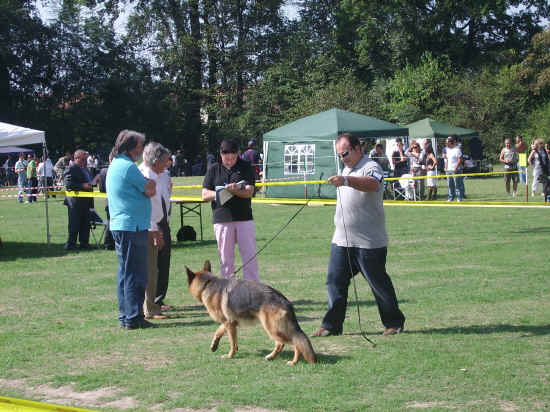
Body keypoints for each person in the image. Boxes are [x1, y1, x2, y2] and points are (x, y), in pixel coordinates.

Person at [311, 133, 405, 338]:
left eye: (345, 153)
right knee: (334, 281)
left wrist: (346, 180)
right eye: (339, 155)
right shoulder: (345, 168)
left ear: (357, 149)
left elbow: (373, 184)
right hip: (341, 240)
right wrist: (345, 177)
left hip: (369, 242)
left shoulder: (371, 166)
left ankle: (394, 323)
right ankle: (331, 325)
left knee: (378, 283)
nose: (342, 158)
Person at [107, 130, 156, 330]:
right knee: (135, 274)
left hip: (123, 225)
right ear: (130, 148)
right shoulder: (128, 167)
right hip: (131, 226)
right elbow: (150, 189)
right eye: (139, 146)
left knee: (125, 273)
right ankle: (133, 317)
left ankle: (126, 315)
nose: (141, 150)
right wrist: (150, 182)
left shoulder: (116, 164)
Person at [202, 139, 259, 281]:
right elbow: (204, 195)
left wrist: (235, 191)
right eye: (226, 158)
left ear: (238, 154)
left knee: (250, 257)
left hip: (244, 218)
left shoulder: (246, 167)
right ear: (221, 155)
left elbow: (249, 192)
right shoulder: (214, 169)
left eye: (233, 158)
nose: (229, 161)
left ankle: (252, 290)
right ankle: (229, 290)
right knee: (225, 258)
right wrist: (221, 194)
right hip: (221, 219)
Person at [138, 142, 171, 320]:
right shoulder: (146, 176)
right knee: (150, 269)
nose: (167, 164)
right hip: (150, 227)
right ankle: (150, 308)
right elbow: (146, 207)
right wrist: (154, 231)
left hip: (158, 223)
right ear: (155, 160)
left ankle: (153, 305)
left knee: (155, 268)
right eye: (165, 161)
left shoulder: (158, 175)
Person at [63, 150, 93, 250]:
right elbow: (68, 184)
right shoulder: (71, 168)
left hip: (86, 201)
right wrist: (82, 186)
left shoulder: (86, 169)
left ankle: (84, 243)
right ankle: (71, 244)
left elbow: (88, 182)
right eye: (83, 159)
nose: (85, 161)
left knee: (86, 224)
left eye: (86, 159)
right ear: (76, 158)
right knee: (74, 224)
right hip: (75, 202)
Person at [155, 157, 173, 310]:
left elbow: (168, 196)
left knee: (164, 262)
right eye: (165, 160)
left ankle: (159, 299)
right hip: (153, 222)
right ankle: (151, 301)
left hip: (165, 220)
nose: (168, 163)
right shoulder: (144, 173)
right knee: (152, 263)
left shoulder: (166, 175)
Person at [92, 154, 114, 249]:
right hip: (120, 202)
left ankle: (108, 244)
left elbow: (101, 189)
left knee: (110, 221)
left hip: (108, 201)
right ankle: (110, 243)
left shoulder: (103, 171)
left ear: (109, 159)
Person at [444, 135, 464, 202]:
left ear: (451, 142)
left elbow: (460, 160)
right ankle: (451, 197)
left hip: (456, 170)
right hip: (449, 170)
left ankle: (459, 198)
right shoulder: (447, 150)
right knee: (450, 185)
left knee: (457, 185)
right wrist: (446, 168)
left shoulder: (457, 150)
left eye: (447, 143)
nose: (446, 144)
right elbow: (447, 159)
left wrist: (456, 168)